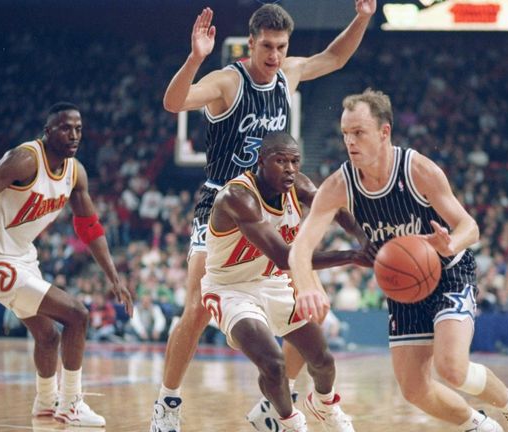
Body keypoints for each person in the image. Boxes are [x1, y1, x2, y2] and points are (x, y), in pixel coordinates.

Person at [153, 2, 377, 431]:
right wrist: (196, 58)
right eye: (267, 46)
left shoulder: (287, 73)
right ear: (250, 43)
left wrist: (363, 17)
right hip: (224, 204)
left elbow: (334, 58)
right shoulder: (226, 82)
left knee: (302, 301)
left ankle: (277, 404)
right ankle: (167, 404)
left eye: (281, 47)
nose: (275, 55)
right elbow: (173, 101)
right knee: (197, 308)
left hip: (274, 203)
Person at [287, 89, 508, 432]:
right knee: (414, 389)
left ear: (384, 132)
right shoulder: (339, 184)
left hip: (448, 274)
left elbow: (470, 227)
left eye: (359, 132)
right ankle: (478, 426)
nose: (349, 141)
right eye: (345, 134)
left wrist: (449, 244)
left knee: (451, 368)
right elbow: (300, 248)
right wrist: (309, 287)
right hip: (404, 288)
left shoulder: (418, 170)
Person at [0, 102, 133, 427]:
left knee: (48, 336)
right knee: (77, 315)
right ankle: (71, 404)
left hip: (23, 259)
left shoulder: (76, 172)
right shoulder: (25, 159)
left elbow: (89, 226)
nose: (73, 135)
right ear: (48, 132)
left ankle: (46, 403)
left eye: (78, 128)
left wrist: (113, 276)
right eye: (65, 128)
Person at [200, 132, 364, 431]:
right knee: (274, 364)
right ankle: (289, 422)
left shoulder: (297, 185)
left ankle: (324, 405)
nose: (289, 168)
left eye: (294, 161)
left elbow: (334, 209)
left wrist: (367, 238)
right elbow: (285, 257)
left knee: (323, 360)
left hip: (272, 284)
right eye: (280, 160)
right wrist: (353, 254)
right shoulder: (238, 197)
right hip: (230, 290)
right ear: (261, 161)